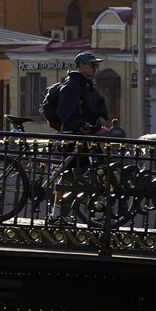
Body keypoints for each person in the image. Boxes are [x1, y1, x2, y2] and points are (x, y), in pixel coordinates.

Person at [49, 51, 121, 224]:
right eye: (91, 65)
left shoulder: (89, 86)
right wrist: (81, 126)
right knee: (68, 177)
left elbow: (100, 105)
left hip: (89, 138)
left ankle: (99, 213)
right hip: (73, 138)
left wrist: (101, 119)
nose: (95, 68)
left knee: (101, 174)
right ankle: (56, 214)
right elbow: (65, 113)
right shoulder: (72, 85)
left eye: (96, 65)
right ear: (81, 67)